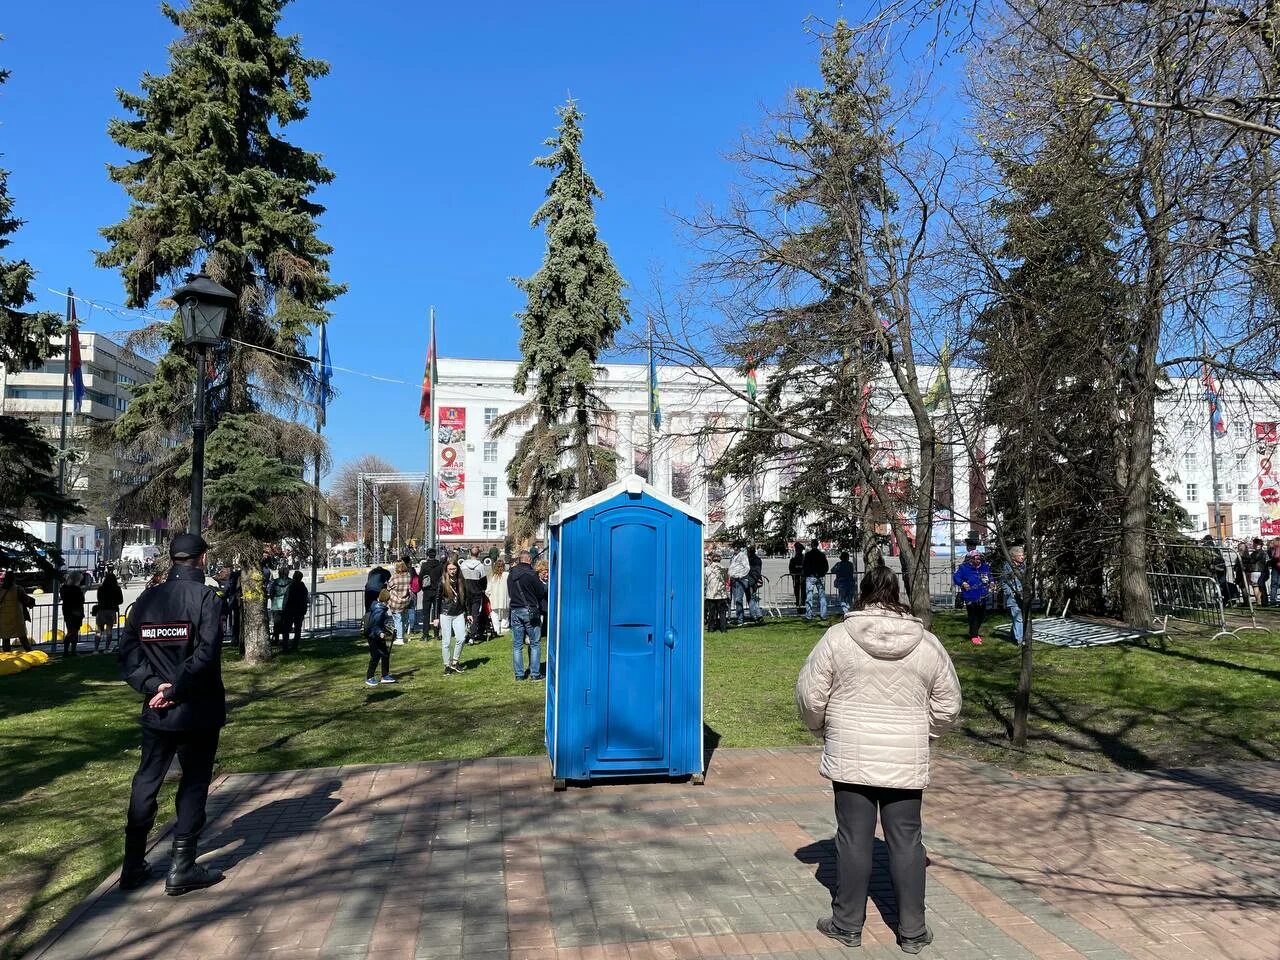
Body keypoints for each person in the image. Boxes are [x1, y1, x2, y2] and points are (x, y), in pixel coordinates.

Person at [795, 565, 962, 955]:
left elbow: (810, 696)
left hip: (851, 752)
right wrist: (925, 733)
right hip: (905, 754)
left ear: (863, 592)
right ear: (896, 593)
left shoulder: (838, 638)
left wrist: (822, 729)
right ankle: (913, 931)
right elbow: (949, 704)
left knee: (853, 840)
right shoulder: (928, 644)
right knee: (907, 841)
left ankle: (847, 923)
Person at [116, 533, 226, 896]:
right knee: (193, 783)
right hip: (195, 709)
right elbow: (206, 656)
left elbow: (129, 655)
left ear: (171, 558)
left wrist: (153, 687)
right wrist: (174, 690)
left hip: (157, 711)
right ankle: (182, 867)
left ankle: (132, 866)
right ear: (202, 559)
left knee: (146, 780)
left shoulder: (146, 600)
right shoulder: (206, 598)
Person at [508, 550, 547, 681]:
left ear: (519, 560)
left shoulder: (511, 574)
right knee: (535, 643)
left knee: (517, 645)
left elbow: (510, 591)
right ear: (529, 560)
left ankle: (519, 675)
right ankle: (535, 674)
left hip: (515, 610)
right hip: (530, 610)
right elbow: (541, 591)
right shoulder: (531, 574)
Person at [434, 558, 470, 675]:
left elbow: (465, 598)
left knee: (461, 638)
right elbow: (437, 599)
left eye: (454, 568)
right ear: (446, 569)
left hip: (458, 613)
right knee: (447, 641)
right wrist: (436, 617)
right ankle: (447, 665)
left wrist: (468, 613)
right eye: (450, 569)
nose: (452, 571)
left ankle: (455, 662)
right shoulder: (442, 581)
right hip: (445, 613)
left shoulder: (461, 580)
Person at [953, 550, 992, 645]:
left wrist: (992, 582)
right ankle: (974, 635)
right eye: (976, 558)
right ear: (971, 559)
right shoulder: (964, 568)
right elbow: (956, 577)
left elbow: (990, 576)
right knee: (973, 615)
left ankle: (973, 632)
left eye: (979, 558)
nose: (978, 560)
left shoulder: (984, 567)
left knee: (981, 615)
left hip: (983, 594)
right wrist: (962, 583)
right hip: (970, 595)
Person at [362, 587, 395, 686]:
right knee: (375, 656)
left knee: (385, 654)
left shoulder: (376, 605)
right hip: (373, 636)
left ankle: (385, 675)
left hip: (375, 635)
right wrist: (380, 632)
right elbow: (375, 624)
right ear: (387, 600)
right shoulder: (380, 610)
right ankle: (370, 677)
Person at [0, 569, 34, 653]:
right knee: (23, 638)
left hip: (3, 618)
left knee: (5, 639)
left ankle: (7, 657)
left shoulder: (0, 590)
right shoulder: (18, 589)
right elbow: (26, 600)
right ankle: (30, 653)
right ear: (14, 579)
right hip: (17, 617)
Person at [1000, 544, 1027, 646]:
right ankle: (1019, 640)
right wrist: (1011, 592)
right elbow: (1004, 582)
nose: (1022, 557)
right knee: (1018, 617)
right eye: (1020, 555)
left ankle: (1013, 635)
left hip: (1022, 595)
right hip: (1012, 596)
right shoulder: (1008, 567)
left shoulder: (1023, 566)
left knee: (1019, 617)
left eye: (1022, 555)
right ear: (1013, 557)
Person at [459, 546, 488, 641]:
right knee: (475, 614)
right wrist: (483, 589)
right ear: (479, 554)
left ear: (469, 553)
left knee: (465, 613)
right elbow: (484, 581)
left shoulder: (463, 565)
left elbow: (460, 579)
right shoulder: (480, 566)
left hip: (465, 592)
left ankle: (462, 632)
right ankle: (472, 636)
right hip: (476, 592)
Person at [94, 568, 125, 653]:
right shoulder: (117, 588)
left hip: (101, 610)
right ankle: (107, 648)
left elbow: (98, 598)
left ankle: (96, 649)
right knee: (109, 630)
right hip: (111, 610)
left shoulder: (101, 588)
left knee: (98, 630)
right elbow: (121, 601)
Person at [418, 548, 444, 643]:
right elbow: (442, 578)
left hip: (427, 591)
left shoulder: (424, 565)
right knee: (436, 613)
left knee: (426, 613)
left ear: (427, 555)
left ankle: (425, 634)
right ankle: (436, 634)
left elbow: (420, 578)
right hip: (437, 591)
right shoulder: (440, 565)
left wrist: (422, 588)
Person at [386, 560, 413, 645]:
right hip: (405, 601)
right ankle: (403, 635)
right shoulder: (408, 575)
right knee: (404, 619)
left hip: (395, 602)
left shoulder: (395, 577)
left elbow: (389, 587)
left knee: (398, 620)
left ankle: (399, 638)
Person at [281, 571, 309, 652]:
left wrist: (284, 609)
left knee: (286, 629)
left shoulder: (291, 587)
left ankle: (285, 646)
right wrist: (304, 610)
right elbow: (305, 599)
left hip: (290, 610)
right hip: (300, 611)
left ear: (294, 577)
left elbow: (286, 599)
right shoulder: (303, 587)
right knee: (297, 629)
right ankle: (295, 646)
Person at [803, 539, 830, 621]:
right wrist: (822, 573)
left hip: (810, 576)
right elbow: (826, 566)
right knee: (822, 596)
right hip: (820, 577)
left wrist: (807, 573)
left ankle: (809, 614)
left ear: (811, 545)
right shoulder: (821, 555)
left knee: (809, 596)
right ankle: (824, 614)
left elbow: (804, 565)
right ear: (818, 545)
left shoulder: (808, 555)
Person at [61, 572, 87, 656]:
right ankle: (72, 650)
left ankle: (67, 651)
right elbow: (81, 600)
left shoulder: (63, 588)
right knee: (73, 632)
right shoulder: (77, 589)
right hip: (76, 612)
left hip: (67, 612)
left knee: (71, 631)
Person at [704, 551, 729, 633]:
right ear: (720, 560)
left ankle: (711, 628)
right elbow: (726, 580)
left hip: (711, 594)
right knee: (722, 613)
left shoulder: (707, 569)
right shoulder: (723, 569)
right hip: (721, 594)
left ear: (712, 559)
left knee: (711, 613)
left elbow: (705, 580)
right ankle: (723, 629)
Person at [267, 568, 292, 648]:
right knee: (286, 625)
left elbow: (271, 593)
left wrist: (274, 599)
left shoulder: (275, 582)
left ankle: (276, 639)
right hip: (287, 606)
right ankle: (285, 641)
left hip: (276, 605)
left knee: (276, 624)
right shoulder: (291, 582)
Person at [728, 543, 751, 626]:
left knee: (738, 599)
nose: (735, 549)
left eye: (736, 548)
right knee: (735, 600)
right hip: (733, 580)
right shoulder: (733, 556)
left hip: (740, 580)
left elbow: (747, 568)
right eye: (734, 548)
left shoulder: (742, 556)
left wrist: (740, 575)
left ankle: (740, 619)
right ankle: (738, 618)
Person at [487, 557, 510, 636]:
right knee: (505, 613)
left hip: (494, 598)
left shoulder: (492, 576)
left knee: (494, 613)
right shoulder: (507, 575)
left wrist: (489, 595)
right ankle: (504, 627)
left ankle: (496, 629)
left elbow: (488, 589)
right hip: (505, 597)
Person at [1248, 537, 1270, 607]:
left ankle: (1259, 601)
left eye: (1254, 544)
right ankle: (1262, 601)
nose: (1253, 545)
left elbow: (1252, 560)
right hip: (1260, 571)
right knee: (1260, 586)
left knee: (1257, 586)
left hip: (1256, 571)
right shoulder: (1263, 553)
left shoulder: (1257, 553)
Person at [747, 546, 764, 622]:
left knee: (751, 599)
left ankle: (756, 615)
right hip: (755, 580)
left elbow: (752, 570)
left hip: (751, 580)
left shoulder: (749, 560)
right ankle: (754, 614)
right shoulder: (758, 559)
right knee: (752, 598)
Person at [789, 541, 806, 615]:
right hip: (797, 579)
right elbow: (791, 569)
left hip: (802, 579)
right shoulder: (794, 559)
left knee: (802, 594)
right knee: (798, 594)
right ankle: (800, 607)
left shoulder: (804, 559)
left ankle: (802, 607)